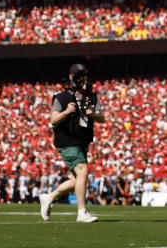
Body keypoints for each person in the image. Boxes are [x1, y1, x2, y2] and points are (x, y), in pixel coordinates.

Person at [39, 63, 106, 223]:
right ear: (71, 77)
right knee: (83, 171)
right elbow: (53, 120)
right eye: (79, 76)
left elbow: (102, 118)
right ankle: (82, 212)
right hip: (67, 141)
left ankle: (49, 197)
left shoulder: (91, 96)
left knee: (78, 180)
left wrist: (92, 113)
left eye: (84, 76)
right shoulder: (61, 97)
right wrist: (67, 112)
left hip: (82, 142)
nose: (82, 80)